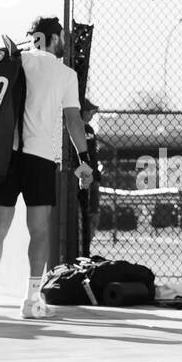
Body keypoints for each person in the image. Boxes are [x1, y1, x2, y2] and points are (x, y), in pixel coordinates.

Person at [0, 16, 94, 320]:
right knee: (39, 230)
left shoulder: (16, 62)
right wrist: (84, 161)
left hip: (5, 156)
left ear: (31, 37)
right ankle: (31, 301)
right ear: (55, 39)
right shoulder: (66, 74)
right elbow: (73, 120)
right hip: (41, 159)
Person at [78, 98, 102, 257]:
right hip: (84, 176)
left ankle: (86, 246)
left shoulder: (89, 129)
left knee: (93, 213)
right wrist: (86, 174)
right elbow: (80, 158)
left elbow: (92, 157)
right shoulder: (79, 129)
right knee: (84, 213)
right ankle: (82, 246)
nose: (91, 114)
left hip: (90, 176)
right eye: (89, 111)